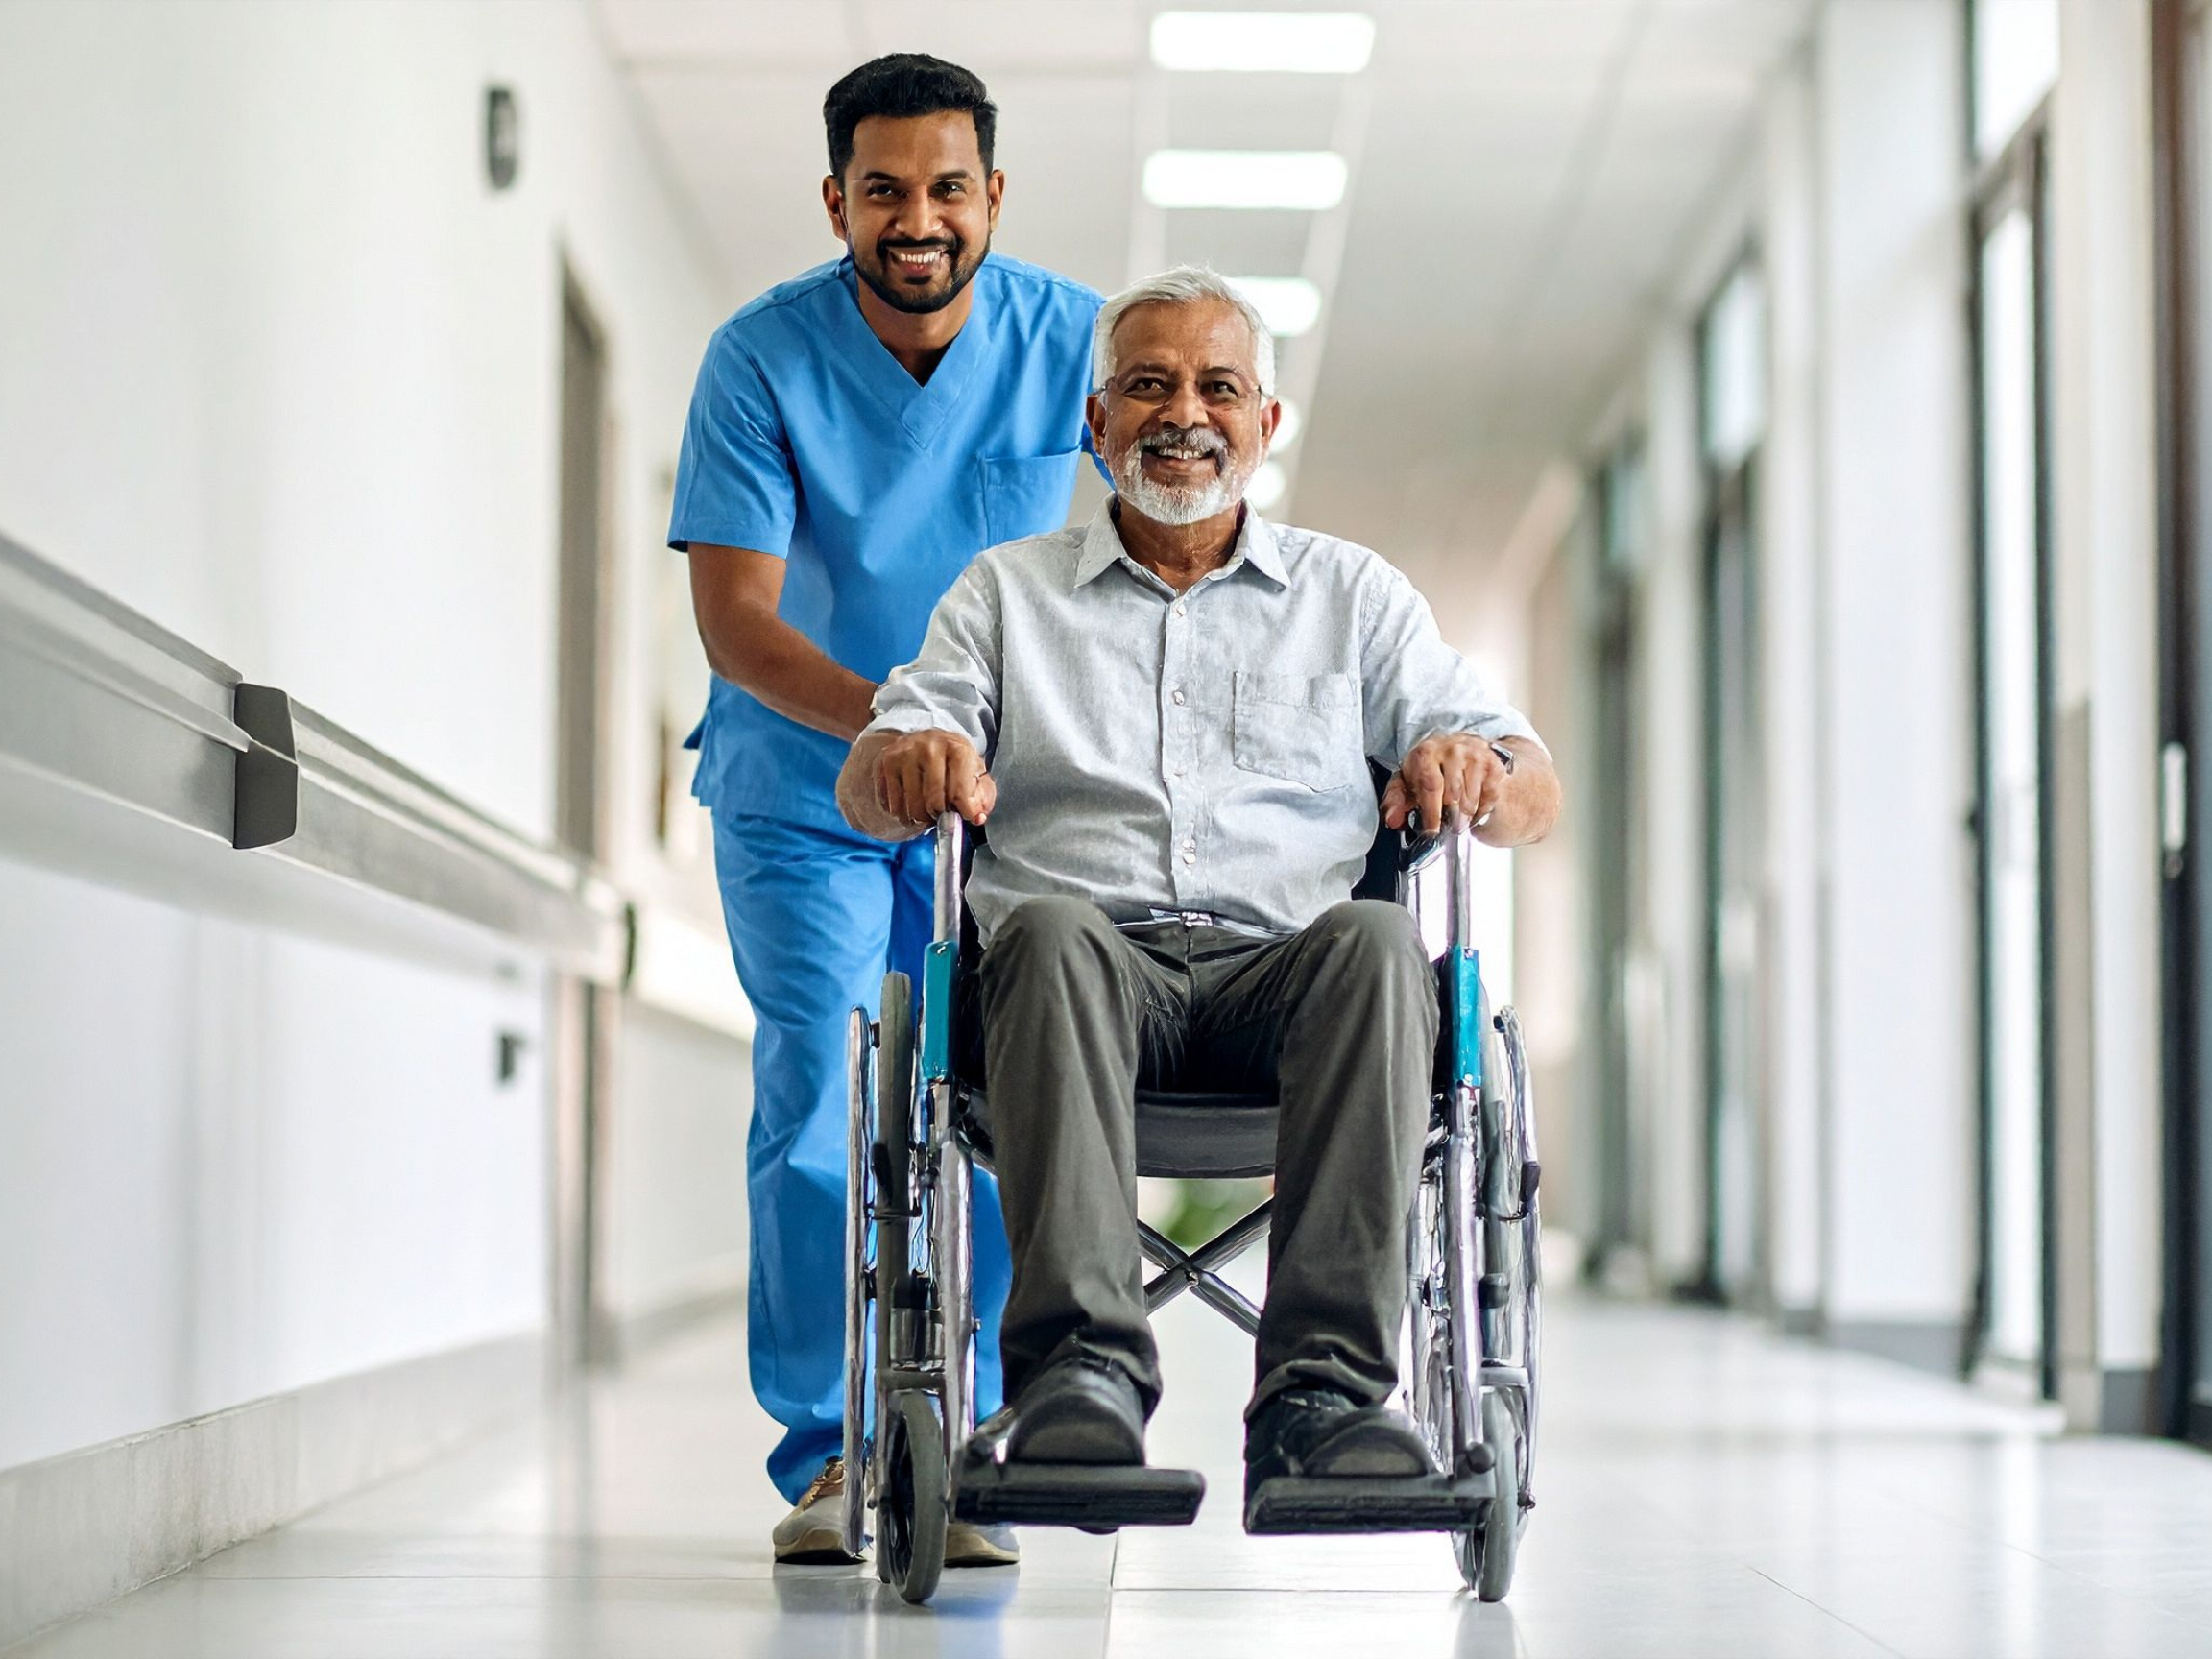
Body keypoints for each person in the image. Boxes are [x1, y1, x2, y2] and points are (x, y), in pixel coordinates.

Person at [836, 267, 1561, 1527]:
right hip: (1073, 994)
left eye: (1219, 386)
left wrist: (1477, 770)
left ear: (1265, 424)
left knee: (1382, 944)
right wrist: (907, 760)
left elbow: (1531, 785)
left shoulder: (1355, 599)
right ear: (1097, 424)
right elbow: (870, 774)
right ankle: (1081, 1383)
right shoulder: (1004, 596)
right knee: (1050, 929)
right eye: (1149, 386)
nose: (1186, 413)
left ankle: (1324, 1401)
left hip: (1287, 1001)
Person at [669, 53, 1101, 1568]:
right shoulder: (761, 358)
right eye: (883, 190)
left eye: (946, 187)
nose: (917, 219)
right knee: (820, 1093)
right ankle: (832, 1451)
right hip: (803, 788)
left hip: (1000, 807)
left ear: (993, 195)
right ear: (836, 199)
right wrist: (904, 724)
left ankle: (965, 1438)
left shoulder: (1080, 347)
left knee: (984, 1107)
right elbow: (739, 620)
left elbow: (1174, 541)